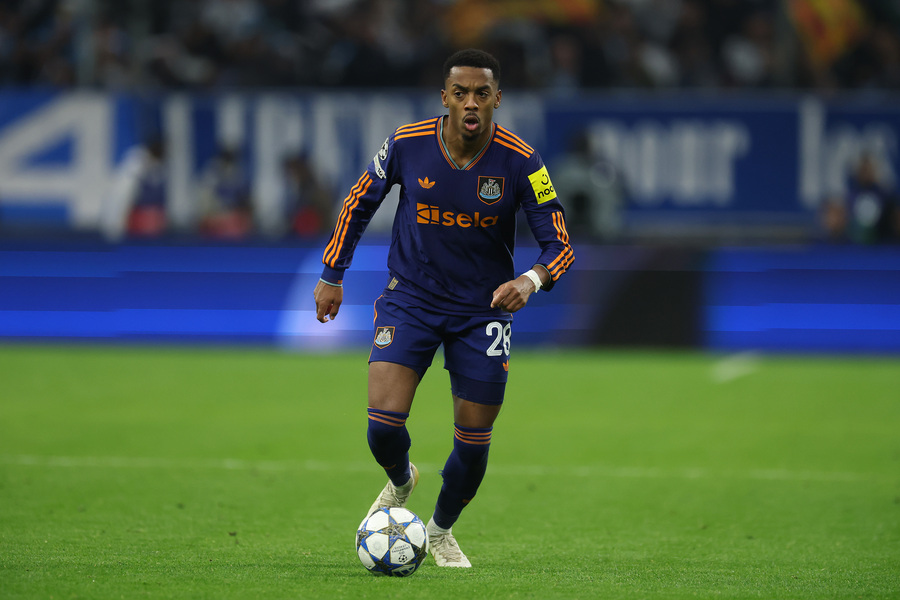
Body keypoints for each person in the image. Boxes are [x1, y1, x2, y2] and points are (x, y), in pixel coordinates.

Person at [313, 49, 574, 568]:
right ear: (445, 98)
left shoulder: (522, 161)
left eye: (481, 93)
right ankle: (401, 478)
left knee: (473, 445)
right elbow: (359, 201)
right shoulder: (407, 143)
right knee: (382, 426)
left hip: (483, 312)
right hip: (410, 299)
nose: (471, 103)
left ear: (497, 99)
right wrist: (331, 273)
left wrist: (530, 280)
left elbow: (559, 244)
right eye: (461, 93)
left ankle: (439, 530)